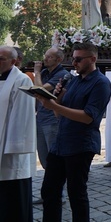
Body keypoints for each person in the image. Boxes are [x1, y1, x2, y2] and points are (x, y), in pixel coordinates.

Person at [39, 42, 111, 221]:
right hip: (61, 143)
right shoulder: (73, 80)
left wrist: (55, 105)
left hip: (80, 144)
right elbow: (58, 115)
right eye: (73, 58)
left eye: (78, 59)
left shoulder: (101, 83)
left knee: (76, 193)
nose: (74, 63)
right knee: (49, 190)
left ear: (92, 59)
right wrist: (57, 99)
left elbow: (88, 117)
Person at [0, 46, 36, 221]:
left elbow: (22, 116)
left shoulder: (22, 80)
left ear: (13, 61)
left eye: (1, 58)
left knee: (13, 198)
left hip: (11, 150)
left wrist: (14, 147)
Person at [32, 47, 70, 204]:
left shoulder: (62, 74)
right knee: (44, 158)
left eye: (49, 57)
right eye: (45, 56)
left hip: (53, 121)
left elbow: (39, 90)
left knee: (54, 159)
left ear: (58, 60)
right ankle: (49, 192)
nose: (45, 59)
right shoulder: (47, 73)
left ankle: (58, 195)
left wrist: (37, 72)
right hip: (40, 119)